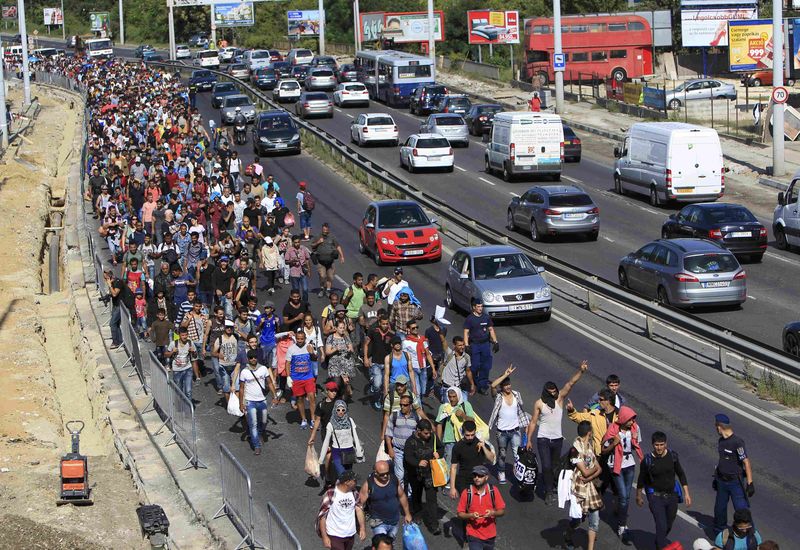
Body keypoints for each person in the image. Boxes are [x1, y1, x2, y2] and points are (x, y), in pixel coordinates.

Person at [525, 360, 588, 503]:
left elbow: (570, 383)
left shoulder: (560, 399)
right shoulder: (539, 403)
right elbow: (533, 422)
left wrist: (581, 371)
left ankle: (553, 485)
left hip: (557, 439)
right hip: (543, 439)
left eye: (555, 391)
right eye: (551, 392)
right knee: (546, 465)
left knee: (554, 467)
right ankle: (548, 492)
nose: (554, 394)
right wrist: (528, 439)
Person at [636, 431, 692, 550]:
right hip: (655, 497)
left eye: (661, 444)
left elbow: (681, 474)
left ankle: (659, 541)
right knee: (661, 525)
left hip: (672, 496)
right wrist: (639, 496)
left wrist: (686, 493)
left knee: (668, 524)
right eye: (657, 445)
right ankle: (661, 546)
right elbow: (641, 479)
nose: (659, 447)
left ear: (665, 444)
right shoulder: (647, 460)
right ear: (652, 444)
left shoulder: (672, 456)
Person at [449, 421, 497, 545]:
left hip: (479, 480)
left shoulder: (481, 443)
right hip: (464, 480)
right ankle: (468, 535)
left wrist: (484, 447)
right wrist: (452, 487)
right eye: (467, 435)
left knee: (483, 505)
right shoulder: (458, 447)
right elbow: (453, 467)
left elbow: (492, 459)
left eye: (472, 435)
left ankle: (482, 531)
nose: (470, 438)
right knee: (467, 508)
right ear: (462, 433)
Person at [601, 405, 643, 542]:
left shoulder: (635, 428)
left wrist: (635, 438)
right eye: (630, 419)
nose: (633, 422)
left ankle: (620, 514)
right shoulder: (613, 429)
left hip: (629, 464)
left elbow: (637, 445)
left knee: (626, 496)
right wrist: (614, 444)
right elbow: (604, 449)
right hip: (616, 465)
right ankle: (622, 525)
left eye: (633, 419)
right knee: (623, 496)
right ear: (624, 419)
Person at [566, 388, 619, 493]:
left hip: (615, 454)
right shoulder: (595, 414)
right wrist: (572, 410)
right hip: (600, 455)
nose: (598, 401)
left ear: (608, 401)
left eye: (601, 399)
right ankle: (596, 502)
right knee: (599, 483)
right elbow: (579, 417)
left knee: (614, 484)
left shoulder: (619, 415)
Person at [564, 421, 604, 550]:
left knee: (594, 520)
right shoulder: (575, 449)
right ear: (589, 433)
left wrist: (590, 477)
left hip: (590, 488)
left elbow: (597, 470)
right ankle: (568, 536)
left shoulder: (589, 447)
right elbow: (587, 471)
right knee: (578, 519)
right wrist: (591, 472)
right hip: (579, 489)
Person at [487, 366, 529, 485]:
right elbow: (492, 386)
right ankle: (501, 472)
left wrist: (526, 423)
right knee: (502, 454)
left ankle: (519, 474)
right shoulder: (498, 397)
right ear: (502, 387)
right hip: (502, 432)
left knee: (517, 455)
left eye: (509, 384)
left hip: (515, 430)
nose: (508, 387)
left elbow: (521, 411)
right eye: (505, 385)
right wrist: (505, 374)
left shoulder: (517, 395)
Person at [713, 414, 754, 536]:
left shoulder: (737, 442)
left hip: (735, 482)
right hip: (721, 481)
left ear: (720, 426)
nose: (716, 429)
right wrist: (716, 477)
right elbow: (722, 460)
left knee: (741, 510)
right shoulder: (721, 441)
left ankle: (751, 535)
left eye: (716, 426)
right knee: (719, 509)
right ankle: (720, 534)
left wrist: (750, 483)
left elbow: (746, 462)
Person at [403, 419, 442, 535]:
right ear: (418, 431)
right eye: (426, 433)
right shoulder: (410, 442)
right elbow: (408, 457)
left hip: (430, 474)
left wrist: (439, 454)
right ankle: (417, 514)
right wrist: (417, 463)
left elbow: (441, 447)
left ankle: (434, 525)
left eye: (429, 432)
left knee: (432, 500)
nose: (428, 435)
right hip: (416, 475)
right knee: (416, 495)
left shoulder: (433, 438)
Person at [359, 460, 413, 540]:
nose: (385, 476)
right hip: (378, 522)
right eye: (382, 474)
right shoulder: (369, 484)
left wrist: (407, 514)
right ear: (375, 473)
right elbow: (359, 505)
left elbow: (402, 496)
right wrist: (362, 528)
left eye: (387, 473)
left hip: (394, 521)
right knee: (382, 544)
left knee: (390, 544)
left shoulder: (394, 480)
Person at [456, 464, 506, 550]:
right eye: (475, 475)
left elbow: (502, 511)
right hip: (473, 535)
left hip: (490, 535)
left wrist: (493, 513)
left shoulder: (493, 491)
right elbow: (460, 514)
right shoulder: (467, 492)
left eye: (480, 476)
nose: (477, 478)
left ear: (486, 477)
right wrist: (471, 515)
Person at [318, 470, 367, 550]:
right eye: (354, 481)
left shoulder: (354, 493)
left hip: (350, 534)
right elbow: (322, 516)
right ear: (347, 482)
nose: (356, 482)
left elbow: (359, 509)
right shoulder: (331, 494)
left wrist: (362, 528)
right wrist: (324, 537)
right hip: (334, 534)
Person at [319, 400, 365, 476]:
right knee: (342, 475)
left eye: (343, 410)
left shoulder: (350, 421)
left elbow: (355, 437)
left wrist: (359, 452)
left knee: (349, 475)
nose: (341, 412)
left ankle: (344, 487)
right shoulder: (331, 424)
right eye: (338, 410)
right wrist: (321, 458)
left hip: (349, 452)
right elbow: (326, 442)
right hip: (337, 452)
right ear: (335, 410)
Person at [310, 379, 342, 488]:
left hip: (339, 432)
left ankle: (340, 477)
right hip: (326, 433)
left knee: (338, 455)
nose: (334, 393)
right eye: (332, 391)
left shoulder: (339, 403)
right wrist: (312, 436)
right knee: (328, 455)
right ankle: (328, 477)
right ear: (326, 391)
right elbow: (318, 420)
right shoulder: (321, 405)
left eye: (335, 391)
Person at [238, 349, 271, 455]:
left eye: (255, 357)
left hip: (262, 400)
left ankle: (259, 433)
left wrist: (275, 395)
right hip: (250, 401)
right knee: (253, 424)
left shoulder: (263, 369)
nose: (253, 359)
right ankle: (256, 445)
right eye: (251, 358)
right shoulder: (244, 372)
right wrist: (241, 403)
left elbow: (269, 383)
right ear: (248, 359)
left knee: (264, 421)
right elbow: (242, 388)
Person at [463, 298, 498, 394]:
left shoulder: (486, 317)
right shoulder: (470, 319)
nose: (480, 308)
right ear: (474, 307)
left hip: (485, 345)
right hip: (474, 345)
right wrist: (466, 345)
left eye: (481, 306)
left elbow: (491, 329)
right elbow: (466, 332)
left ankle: (482, 385)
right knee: (474, 366)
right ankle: (472, 380)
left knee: (485, 366)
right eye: (478, 306)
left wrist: (495, 342)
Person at [384, 394, 420, 487]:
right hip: (398, 451)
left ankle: (410, 497)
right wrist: (390, 449)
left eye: (405, 405)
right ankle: (400, 496)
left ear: (410, 405)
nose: (402, 407)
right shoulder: (395, 415)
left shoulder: (416, 417)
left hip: (412, 452)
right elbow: (388, 434)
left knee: (411, 475)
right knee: (400, 475)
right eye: (401, 405)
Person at [285, 327, 317, 429]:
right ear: (296, 338)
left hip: (308, 377)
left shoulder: (309, 346)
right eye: (298, 339)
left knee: (312, 397)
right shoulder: (291, 349)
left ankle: (312, 419)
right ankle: (303, 419)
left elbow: (315, 359)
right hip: (297, 378)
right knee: (300, 399)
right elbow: (288, 363)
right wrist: (288, 377)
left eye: (301, 339)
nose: (299, 341)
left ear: (304, 338)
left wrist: (312, 352)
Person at [436, 386, 475, 468]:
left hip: (464, 440)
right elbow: (439, 424)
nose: (452, 399)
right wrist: (439, 443)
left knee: (464, 465)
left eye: (454, 396)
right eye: (450, 397)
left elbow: (472, 421)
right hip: (449, 440)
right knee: (449, 466)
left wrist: (463, 415)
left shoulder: (465, 405)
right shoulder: (444, 407)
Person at [364, 314, 394, 410]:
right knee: (377, 384)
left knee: (384, 385)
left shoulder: (391, 334)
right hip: (375, 362)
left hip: (386, 364)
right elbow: (366, 344)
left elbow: (394, 349)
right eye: (383, 324)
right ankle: (373, 384)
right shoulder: (373, 331)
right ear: (379, 323)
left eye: (387, 324)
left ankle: (378, 400)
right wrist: (365, 357)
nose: (385, 325)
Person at [402, 319, 437, 398]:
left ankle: (416, 402)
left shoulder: (422, 339)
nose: (415, 329)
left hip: (423, 368)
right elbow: (404, 357)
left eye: (416, 327)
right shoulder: (406, 343)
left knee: (423, 391)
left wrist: (433, 368)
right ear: (408, 329)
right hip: (413, 369)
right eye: (413, 328)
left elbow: (428, 354)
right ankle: (418, 408)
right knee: (417, 391)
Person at [437, 334, 475, 402]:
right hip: (447, 387)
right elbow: (443, 341)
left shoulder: (466, 357)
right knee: (448, 408)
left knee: (464, 405)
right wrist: (438, 329)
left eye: (463, 345)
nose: (462, 347)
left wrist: (472, 384)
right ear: (454, 346)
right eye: (460, 345)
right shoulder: (449, 354)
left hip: (458, 387)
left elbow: (468, 371)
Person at [312, 223, 345, 297]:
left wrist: (342, 256)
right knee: (322, 276)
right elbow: (312, 245)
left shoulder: (332, 237)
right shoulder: (318, 236)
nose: (325, 231)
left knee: (330, 277)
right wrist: (318, 242)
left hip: (330, 262)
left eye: (326, 230)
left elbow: (338, 246)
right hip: (321, 261)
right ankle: (321, 289)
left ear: (328, 230)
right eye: (323, 230)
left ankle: (328, 290)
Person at [165, 326, 197, 400]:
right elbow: (166, 354)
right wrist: (173, 351)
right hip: (177, 371)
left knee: (188, 391)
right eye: (183, 335)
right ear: (179, 335)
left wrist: (193, 351)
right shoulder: (173, 343)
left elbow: (195, 356)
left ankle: (188, 409)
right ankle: (180, 406)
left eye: (186, 335)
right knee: (179, 390)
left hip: (188, 369)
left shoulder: (190, 342)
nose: (185, 337)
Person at [285, 234, 311, 303]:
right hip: (294, 273)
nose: (297, 244)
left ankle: (305, 303)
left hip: (303, 272)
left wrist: (309, 270)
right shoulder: (289, 250)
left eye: (298, 242)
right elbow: (286, 262)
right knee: (296, 290)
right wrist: (292, 261)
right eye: (295, 242)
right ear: (293, 242)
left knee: (305, 289)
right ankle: (297, 303)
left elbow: (307, 259)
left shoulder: (303, 249)